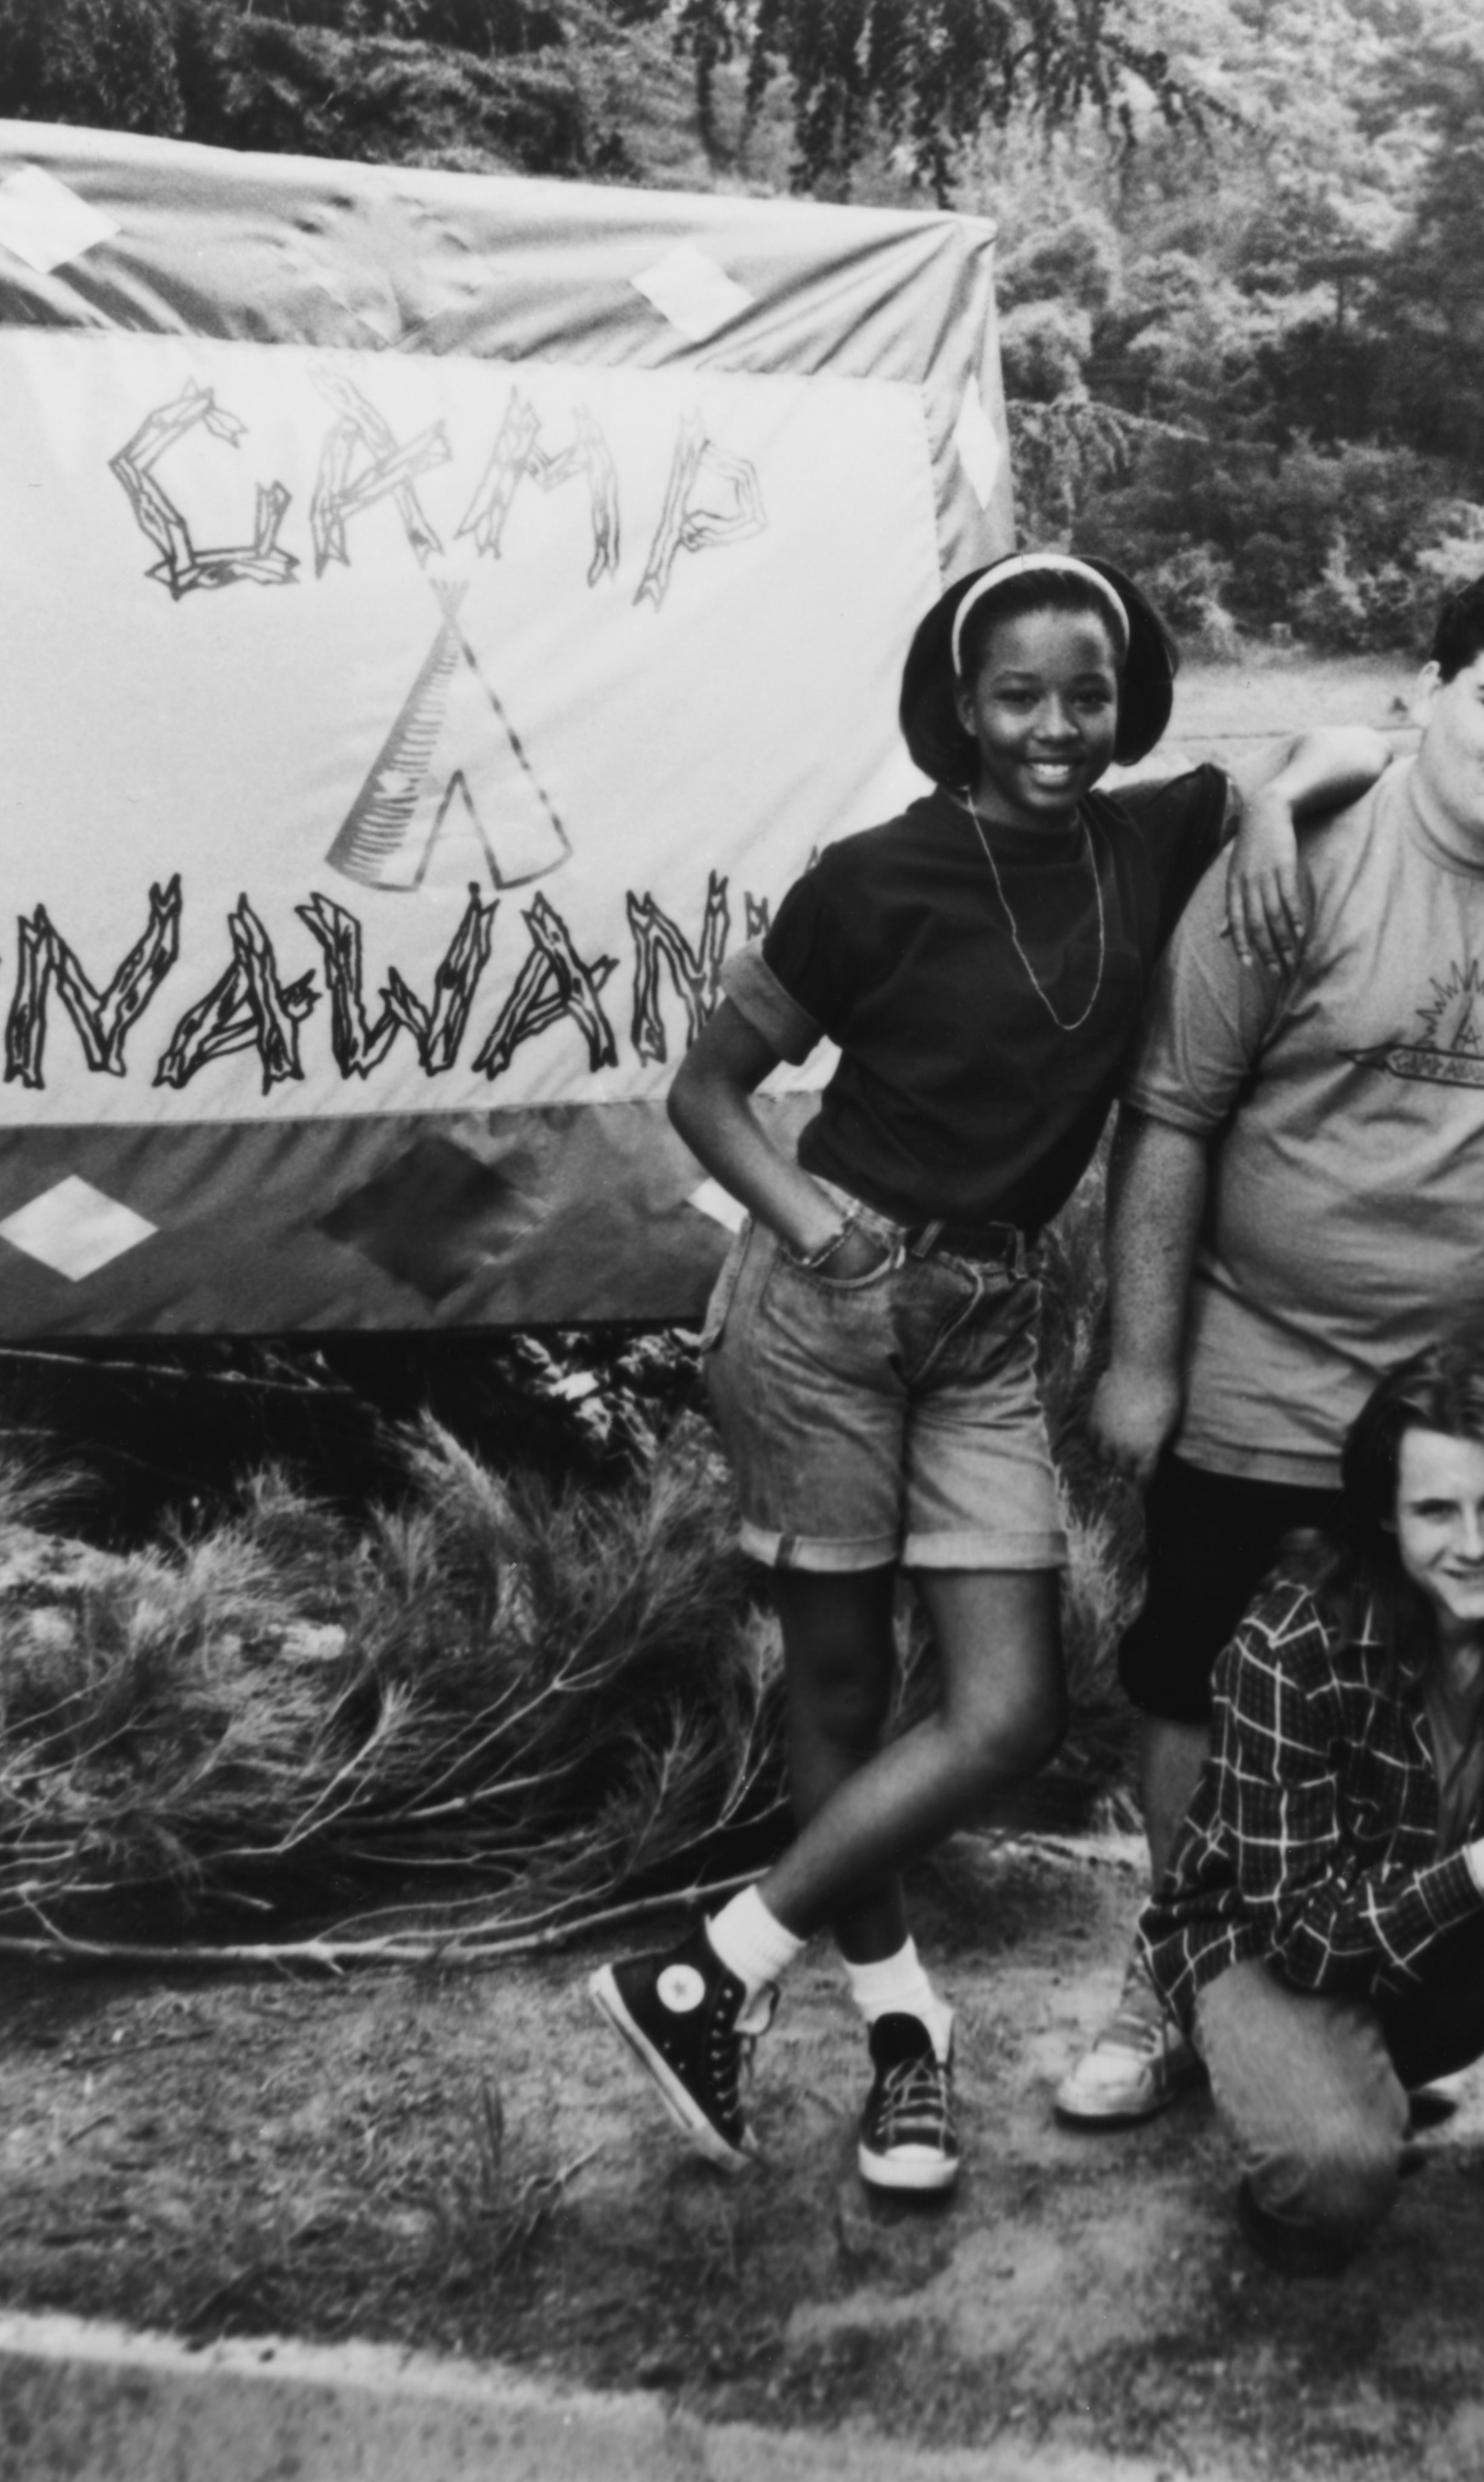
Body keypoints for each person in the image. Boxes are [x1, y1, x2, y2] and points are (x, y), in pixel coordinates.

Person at [585, 551, 1369, 2190]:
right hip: (825, 1313)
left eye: (1089, 695)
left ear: (1126, 700)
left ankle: (711, 1969)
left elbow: (1345, 738)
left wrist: (1270, 815)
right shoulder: (870, 880)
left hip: (991, 1322)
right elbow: (707, 1091)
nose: (1056, 728)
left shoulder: (1152, 835)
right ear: (962, 705)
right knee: (844, 1693)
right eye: (1018, 696)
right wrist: (820, 1231)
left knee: (1009, 1709)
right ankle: (901, 2038)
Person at [1061, 563, 1484, 2126]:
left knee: (1424, 1708)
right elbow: (1172, 1114)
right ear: (1428, 693)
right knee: (1192, 1675)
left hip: (1472, 1413)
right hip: (1262, 1367)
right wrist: (1142, 1361)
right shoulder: (1299, 858)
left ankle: (1356, 2007)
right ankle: (1173, 1972)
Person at [1132, 1345, 1484, 2339]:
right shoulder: (1290, 1639)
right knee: (1330, 2182)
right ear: (1386, 1517)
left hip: (1446, 1940)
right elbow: (1303, 1931)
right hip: (1270, 1948)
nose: (1474, 1542)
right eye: (1436, 1510)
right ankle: (1329, 2109)